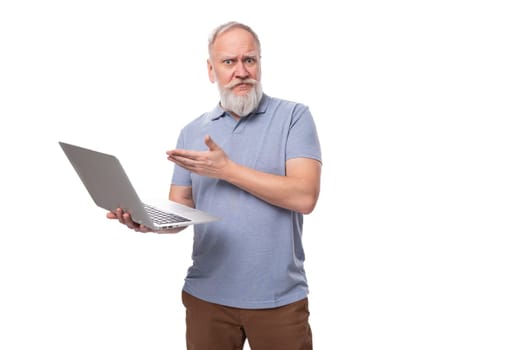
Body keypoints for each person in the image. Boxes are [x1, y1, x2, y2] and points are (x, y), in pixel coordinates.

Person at [107, 21, 322, 350]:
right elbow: (181, 210)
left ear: (260, 63)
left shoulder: (293, 117)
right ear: (211, 70)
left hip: (278, 300)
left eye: (249, 60)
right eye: (228, 62)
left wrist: (227, 170)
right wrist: (148, 223)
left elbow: (305, 196)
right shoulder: (192, 131)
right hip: (206, 298)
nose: (241, 71)